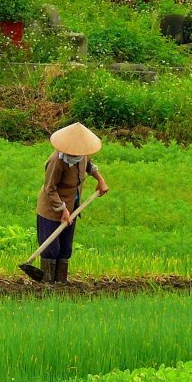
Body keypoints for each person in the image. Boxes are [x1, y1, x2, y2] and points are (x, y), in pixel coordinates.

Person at [36, 122, 109, 284]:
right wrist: (62, 209)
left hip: (72, 206)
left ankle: (61, 283)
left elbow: (90, 166)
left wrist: (100, 180)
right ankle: (47, 283)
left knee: (65, 248)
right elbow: (50, 189)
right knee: (50, 249)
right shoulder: (57, 162)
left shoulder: (81, 156)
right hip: (51, 209)